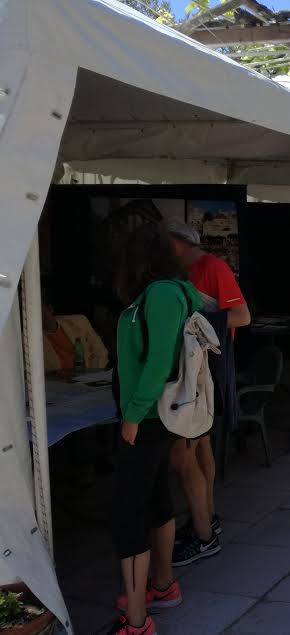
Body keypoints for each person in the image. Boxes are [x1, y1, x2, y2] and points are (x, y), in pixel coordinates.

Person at [110, 223, 201, 635]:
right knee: (155, 499)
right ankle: (162, 587)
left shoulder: (162, 293)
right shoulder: (166, 291)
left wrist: (133, 414)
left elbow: (159, 361)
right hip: (149, 418)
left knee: (126, 513)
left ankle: (136, 620)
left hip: (147, 419)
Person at [166, 220, 251, 567]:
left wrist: (193, 326)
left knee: (190, 449)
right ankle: (207, 516)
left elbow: (242, 316)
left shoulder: (213, 267)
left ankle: (204, 528)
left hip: (207, 368)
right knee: (199, 446)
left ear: (178, 244)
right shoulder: (179, 272)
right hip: (190, 368)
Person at [42, 303, 109, 373]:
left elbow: (101, 352)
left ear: (50, 308)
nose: (38, 314)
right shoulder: (35, 342)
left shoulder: (79, 322)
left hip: (90, 375)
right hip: (59, 379)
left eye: (39, 308)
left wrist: (92, 375)